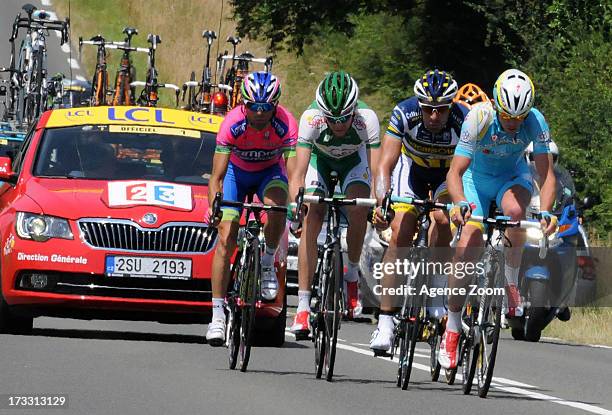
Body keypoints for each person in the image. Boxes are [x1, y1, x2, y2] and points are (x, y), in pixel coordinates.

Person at [439, 69, 557, 369]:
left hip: (511, 177)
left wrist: (546, 211)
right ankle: (452, 327)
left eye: (520, 117)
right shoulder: (478, 117)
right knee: (470, 239)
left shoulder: (535, 121)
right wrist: (459, 203)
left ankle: (510, 280)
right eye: (507, 116)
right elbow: (455, 172)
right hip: (474, 180)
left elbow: (546, 174)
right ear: (494, 103)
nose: (514, 122)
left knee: (517, 214)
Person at [369, 69, 468, 353]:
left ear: (451, 106)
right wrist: (381, 201)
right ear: (419, 105)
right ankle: (385, 323)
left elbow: (466, 167)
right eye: (428, 110)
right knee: (400, 232)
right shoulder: (404, 113)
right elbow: (385, 165)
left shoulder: (463, 120)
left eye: (441, 110)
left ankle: (436, 296)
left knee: (441, 219)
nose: (434, 117)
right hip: (411, 171)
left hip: (446, 175)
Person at [206, 71, 298, 346]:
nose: (259, 113)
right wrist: (215, 206)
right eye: (253, 107)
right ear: (243, 104)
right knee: (226, 235)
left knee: (276, 206)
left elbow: (294, 175)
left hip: (269, 172)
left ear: (275, 105)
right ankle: (217, 315)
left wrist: (296, 204)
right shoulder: (232, 123)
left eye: (266, 107)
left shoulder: (286, 123)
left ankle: (268, 262)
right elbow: (217, 177)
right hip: (236, 173)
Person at [289, 70, 380, 336]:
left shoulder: (368, 120)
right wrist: (297, 205)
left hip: (354, 162)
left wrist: (379, 203)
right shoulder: (311, 118)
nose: (338, 124)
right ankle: (304, 307)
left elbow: (377, 173)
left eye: (344, 118)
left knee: (359, 206)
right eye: (332, 119)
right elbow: (298, 173)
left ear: (354, 110)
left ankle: (352, 274)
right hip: (321, 160)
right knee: (312, 214)